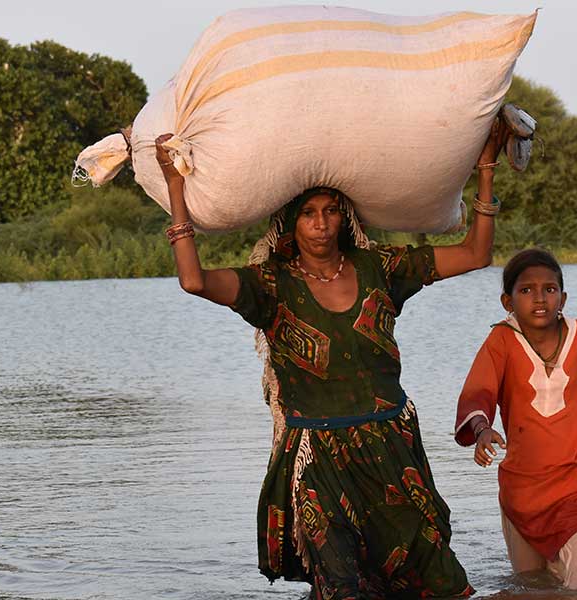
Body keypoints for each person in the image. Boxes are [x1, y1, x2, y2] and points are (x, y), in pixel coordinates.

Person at [153, 117, 509, 599]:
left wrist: (485, 167)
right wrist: (177, 187)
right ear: (290, 223)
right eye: (309, 214)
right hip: (318, 457)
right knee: (341, 586)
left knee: (436, 576)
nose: (321, 224)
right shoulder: (270, 285)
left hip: (391, 447)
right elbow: (194, 281)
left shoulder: (379, 267)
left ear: (346, 218)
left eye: (331, 212)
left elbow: (475, 254)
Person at [453, 248, 577, 590]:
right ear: (507, 301)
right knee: (532, 586)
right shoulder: (501, 340)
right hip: (521, 492)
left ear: (563, 297)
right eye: (526, 290)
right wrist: (482, 430)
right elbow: (477, 391)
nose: (540, 298)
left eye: (550, 289)